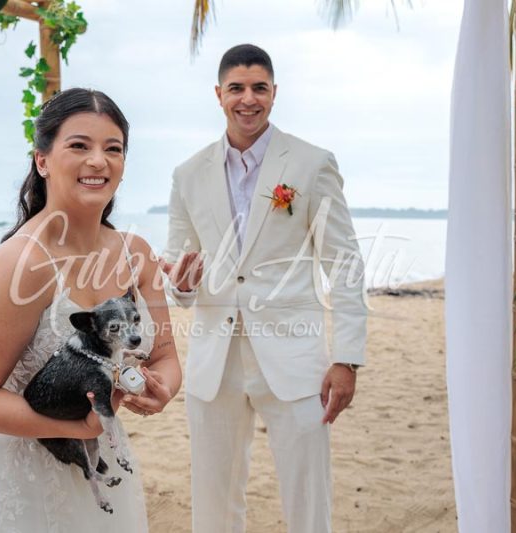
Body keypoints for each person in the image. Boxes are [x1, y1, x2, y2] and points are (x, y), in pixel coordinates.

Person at [0, 88, 181, 532]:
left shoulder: (137, 255)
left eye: (112, 149)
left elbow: (167, 356)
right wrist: (81, 429)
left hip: (103, 472)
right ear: (42, 161)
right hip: (15, 478)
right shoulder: (22, 262)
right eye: (79, 146)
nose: (98, 161)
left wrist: (163, 389)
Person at [162, 44, 367, 533]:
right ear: (218, 94)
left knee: (307, 497)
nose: (247, 99)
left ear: (274, 93)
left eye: (259, 88)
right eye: (236, 88)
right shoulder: (188, 174)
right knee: (212, 500)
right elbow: (178, 274)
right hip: (215, 362)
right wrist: (184, 287)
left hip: (295, 360)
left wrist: (347, 357)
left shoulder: (312, 164)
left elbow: (345, 264)